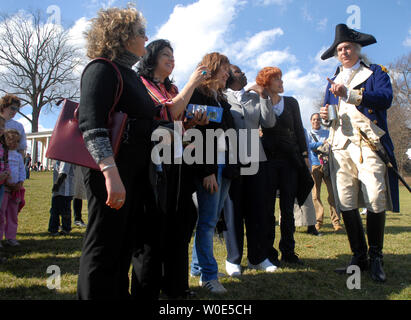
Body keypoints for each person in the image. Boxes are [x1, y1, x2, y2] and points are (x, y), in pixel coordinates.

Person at [77, 6, 162, 299]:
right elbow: (91, 124)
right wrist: (110, 173)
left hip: (136, 172)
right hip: (112, 171)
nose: (146, 37)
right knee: (104, 244)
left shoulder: (132, 76)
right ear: (122, 36)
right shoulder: (101, 68)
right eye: (140, 32)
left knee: (124, 244)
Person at [319, 23, 399, 282]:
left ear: (358, 49)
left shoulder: (376, 72)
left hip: (369, 144)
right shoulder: (333, 79)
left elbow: (385, 99)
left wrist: (351, 94)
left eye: (348, 47)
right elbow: (331, 115)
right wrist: (323, 116)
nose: (344, 52)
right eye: (340, 49)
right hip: (341, 146)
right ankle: (359, 256)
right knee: (345, 200)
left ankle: (376, 257)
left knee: (376, 196)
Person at [137, 39, 208, 299]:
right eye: (166, 54)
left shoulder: (173, 88)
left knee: (180, 224)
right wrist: (193, 82)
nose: (171, 59)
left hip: (177, 164)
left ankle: (177, 288)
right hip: (153, 165)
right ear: (151, 58)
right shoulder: (142, 85)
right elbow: (165, 114)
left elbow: (177, 121)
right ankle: (148, 289)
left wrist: (192, 123)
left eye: (173, 55)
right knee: (154, 228)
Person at [222, 64, 278, 276]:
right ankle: (233, 258)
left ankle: (257, 257)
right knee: (233, 208)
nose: (243, 74)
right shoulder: (222, 96)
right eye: (238, 72)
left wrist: (263, 96)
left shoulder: (254, 96)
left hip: (256, 158)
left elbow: (270, 122)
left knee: (258, 208)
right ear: (229, 76)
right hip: (232, 158)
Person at [188, 52, 237, 294]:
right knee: (207, 222)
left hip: (224, 165)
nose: (228, 74)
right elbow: (198, 136)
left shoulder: (220, 99)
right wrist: (207, 171)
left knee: (209, 219)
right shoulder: (198, 94)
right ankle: (209, 274)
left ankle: (197, 268)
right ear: (213, 68)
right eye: (225, 69)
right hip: (208, 166)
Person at [259, 66, 313, 266]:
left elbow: (299, 129)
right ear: (267, 82)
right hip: (268, 161)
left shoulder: (291, 102)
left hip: (290, 160)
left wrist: (305, 155)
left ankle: (288, 251)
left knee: (288, 208)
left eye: (281, 79)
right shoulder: (260, 101)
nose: (282, 83)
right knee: (267, 209)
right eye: (277, 79)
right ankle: (269, 252)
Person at [308, 113, 342, 232]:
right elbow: (308, 145)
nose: (316, 121)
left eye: (318, 119)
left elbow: (332, 143)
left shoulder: (327, 132)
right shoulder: (308, 133)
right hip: (315, 165)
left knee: (332, 194)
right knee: (315, 194)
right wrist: (322, 144)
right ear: (311, 121)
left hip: (327, 164)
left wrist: (325, 144)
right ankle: (318, 221)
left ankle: (336, 222)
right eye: (314, 119)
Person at [292, 128, 320, 236]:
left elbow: (307, 147)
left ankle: (311, 225)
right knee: (288, 196)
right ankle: (291, 224)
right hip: (287, 164)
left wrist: (308, 163)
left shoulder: (302, 130)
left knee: (307, 195)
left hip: (302, 165)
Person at [0, 129, 25, 247]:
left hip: (15, 190)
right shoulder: (3, 154)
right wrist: (6, 183)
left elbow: (22, 170)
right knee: (1, 213)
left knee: (12, 214)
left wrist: (20, 183)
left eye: (17, 141)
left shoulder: (19, 156)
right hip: (4, 187)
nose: (14, 143)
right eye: (10, 140)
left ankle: (11, 237)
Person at [48, 160, 75, 236]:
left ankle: (65, 228)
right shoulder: (58, 158)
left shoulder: (66, 158)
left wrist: (56, 185)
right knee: (54, 210)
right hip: (58, 191)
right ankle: (53, 228)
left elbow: (63, 173)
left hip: (65, 191)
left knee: (64, 211)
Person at [0, 94, 27, 158]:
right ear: (3, 106)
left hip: (11, 163)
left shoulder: (19, 126)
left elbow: (21, 149)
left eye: (17, 109)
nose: (15, 111)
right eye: (12, 108)